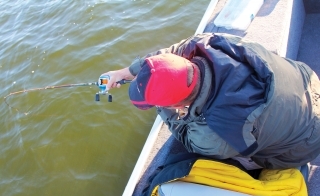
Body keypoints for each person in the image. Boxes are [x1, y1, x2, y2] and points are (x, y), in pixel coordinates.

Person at [101, 33, 320, 170]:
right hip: (308, 81)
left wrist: (161, 107)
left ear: (177, 106)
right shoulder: (211, 42)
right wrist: (125, 72)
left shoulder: (215, 135)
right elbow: (171, 54)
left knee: (230, 160)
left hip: (305, 143)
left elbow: (187, 137)